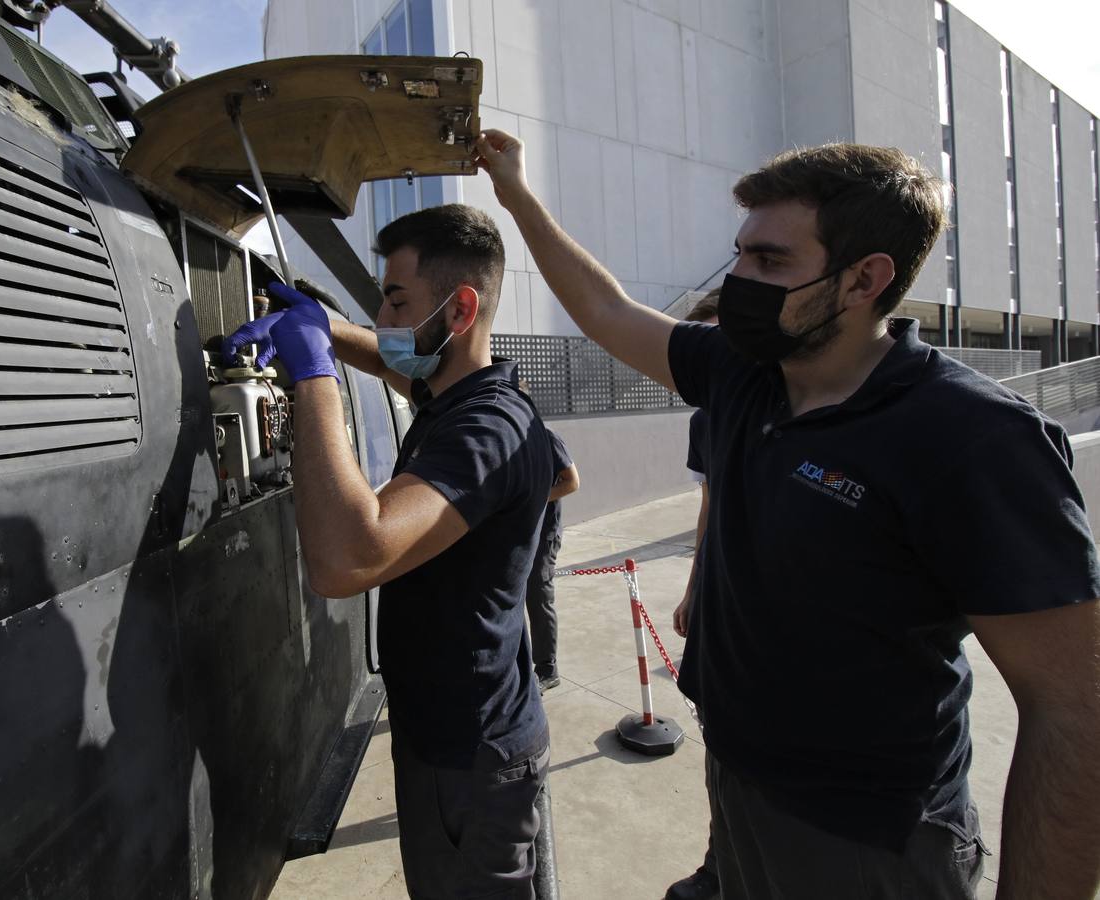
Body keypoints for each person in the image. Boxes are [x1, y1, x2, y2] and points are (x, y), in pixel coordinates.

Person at [474, 130, 1100, 899]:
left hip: (863, 836)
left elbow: (1074, 707)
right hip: (738, 777)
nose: (738, 278)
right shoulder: (745, 374)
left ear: (863, 279)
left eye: (770, 261)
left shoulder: (971, 437)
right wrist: (515, 194)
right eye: (739, 253)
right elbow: (607, 310)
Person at [222, 203, 552, 899]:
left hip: (471, 754)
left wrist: (314, 378)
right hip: (453, 733)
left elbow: (347, 558)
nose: (381, 315)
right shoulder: (459, 393)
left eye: (395, 299)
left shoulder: (484, 429)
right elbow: (393, 361)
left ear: (458, 310)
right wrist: (321, 328)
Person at [667, 290, 721, 900]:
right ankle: (721, 862)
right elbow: (709, 507)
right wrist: (693, 588)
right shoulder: (705, 420)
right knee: (722, 747)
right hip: (718, 611)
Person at [528, 422, 579, 693]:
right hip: (519, 534)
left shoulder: (546, 436)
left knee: (538, 597)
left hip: (544, 534)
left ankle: (548, 670)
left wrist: (532, 498)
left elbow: (572, 482)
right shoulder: (506, 436)